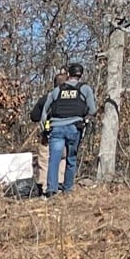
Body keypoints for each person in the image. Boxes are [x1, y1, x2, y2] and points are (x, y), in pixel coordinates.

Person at [28, 62, 96, 195]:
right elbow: (92, 110)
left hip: (56, 128)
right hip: (74, 128)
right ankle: (67, 189)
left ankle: (51, 190)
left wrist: (45, 127)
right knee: (71, 159)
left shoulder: (57, 90)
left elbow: (45, 110)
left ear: (69, 74)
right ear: (80, 75)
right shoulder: (85, 89)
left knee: (54, 159)